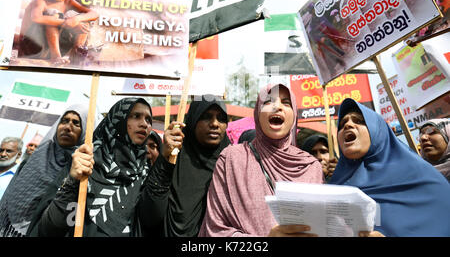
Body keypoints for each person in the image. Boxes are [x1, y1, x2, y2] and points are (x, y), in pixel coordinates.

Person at [198, 84, 323, 237]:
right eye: (268, 101)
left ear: (294, 114)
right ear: (257, 112)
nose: (277, 107)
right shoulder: (231, 159)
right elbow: (215, 229)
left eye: (286, 103)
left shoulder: (311, 167)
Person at [26, 97, 153, 237]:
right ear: (118, 119)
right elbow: (50, 228)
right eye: (135, 116)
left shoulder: (145, 172)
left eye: (148, 120)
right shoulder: (85, 161)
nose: (144, 124)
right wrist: (73, 181)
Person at [329, 98, 450, 237]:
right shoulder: (335, 186)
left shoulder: (424, 180)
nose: (348, 125)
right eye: (342, 123)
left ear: (378, 132)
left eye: (359, 121)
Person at [138, 95, 230, 237]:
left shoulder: (231, 163)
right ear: (193, 120)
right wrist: (165, 159)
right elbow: (150, 214)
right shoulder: (174, 156)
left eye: (221, 118)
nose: (215, 124)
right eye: (206, 117)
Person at [0, 105, 88, 237]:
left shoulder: (82, 170)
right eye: (64, 121)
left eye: (76, 123)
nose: (67, 127)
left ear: (86, 130)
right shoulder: (33, 160)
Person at [17, 0, 98, 65]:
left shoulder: (68, 1)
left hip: (52, 47)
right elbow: (36, 18)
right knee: (53, 14)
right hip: (32, 47)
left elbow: (94, 14)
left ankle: (77, 52)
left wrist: (76, 20)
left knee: (82, 19)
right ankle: (56, 57)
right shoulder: (41, 1)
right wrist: (65, 22)